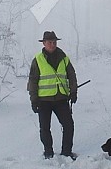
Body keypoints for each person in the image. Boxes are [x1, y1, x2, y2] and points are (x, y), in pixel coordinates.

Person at [27, 31, 78, 160]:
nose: (52, 44)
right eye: (49, 42)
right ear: (44, 43)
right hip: (43, 100)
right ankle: (48, 152)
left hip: (61, 98)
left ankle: (67, 152)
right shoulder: (38, 60)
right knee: (45, 128)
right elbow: (32, 81)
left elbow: (72, 76)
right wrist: (34, 100)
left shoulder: (64, 58)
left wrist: (73, 92)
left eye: (54, 42)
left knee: (68, 125)